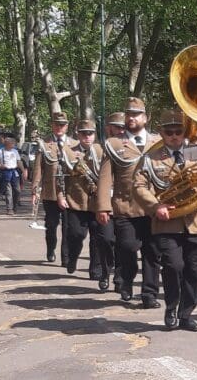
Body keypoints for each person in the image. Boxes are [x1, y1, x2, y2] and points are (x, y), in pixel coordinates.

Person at [136, 108, 197, 332]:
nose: (174, 135)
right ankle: (171, 306)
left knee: (194, 271)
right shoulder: (151, 156)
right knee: (174, 266)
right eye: (169, 131)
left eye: (179, 131)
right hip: (168, 221)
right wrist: (155, 206)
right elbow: (138, 186)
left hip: (196, 221)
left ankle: (186, 314)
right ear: (161, 133)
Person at [97, 97, 163, 309]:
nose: (131, 118)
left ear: (146, 117)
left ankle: (149, 293)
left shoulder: (159, 141)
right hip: (125, 206)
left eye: (136, 114)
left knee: (153, 252)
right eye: (129, 114)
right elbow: (105, 177)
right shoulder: (114, 143)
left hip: (153, 207)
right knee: (128, 247)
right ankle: (126, 277)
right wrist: (103, 206)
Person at [61, 120, 115, 291]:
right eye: (83, 133)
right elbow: (60, 176)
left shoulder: (103, 151)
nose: (87, 137)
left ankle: (97, 270)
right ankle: (73, 256)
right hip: (76, 202)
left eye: (90, 133)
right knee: (76, 234)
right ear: (78, 134)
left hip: (97, 203)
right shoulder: (68, 152)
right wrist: (60, 195)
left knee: (99, 238)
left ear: (94, 134)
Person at [31, 111, 76, 265]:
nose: (59, 127)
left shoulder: (74, 144)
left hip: (70, 192)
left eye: (62, 125)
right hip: (50, 193)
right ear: (52, 125)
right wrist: (35, 190)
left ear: (67, 126)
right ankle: (51, 249)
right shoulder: (44, 144)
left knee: (68, 226)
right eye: (57, 124)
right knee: (51, 225)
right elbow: (38, 169)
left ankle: (66, 257)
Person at [0, 136, 26, 215]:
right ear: (7, 144)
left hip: (14, 172)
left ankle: (15, 206)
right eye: (12, 144)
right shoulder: (0, 152)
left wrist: (23, 171)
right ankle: (9, 208)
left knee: (17, 190)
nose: (13, 145)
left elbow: (19, 162)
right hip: (5, 172)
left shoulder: (15, 151)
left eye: (14, 144)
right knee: (8, 191)